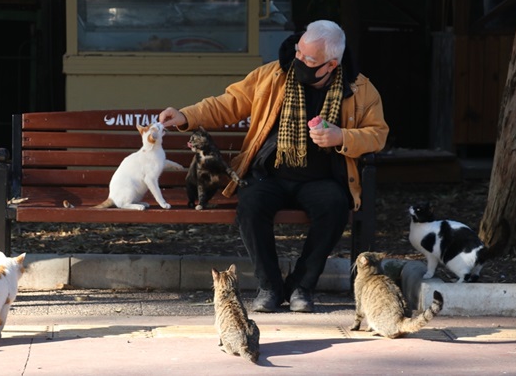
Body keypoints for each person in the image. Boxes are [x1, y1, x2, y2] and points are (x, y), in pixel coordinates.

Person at [160, 20, 389, 313]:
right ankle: (269, 286)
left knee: (334, 206)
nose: (300, 61)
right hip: (271, 174)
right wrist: (185, 116)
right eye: (299, 52)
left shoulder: (360, 90)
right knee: (251, 205)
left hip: (322, 179)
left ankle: (301, 286)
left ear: (331, 65)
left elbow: (378, 134)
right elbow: (229, 103)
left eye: (309, 59)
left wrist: (341, 136)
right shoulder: (273, 75)